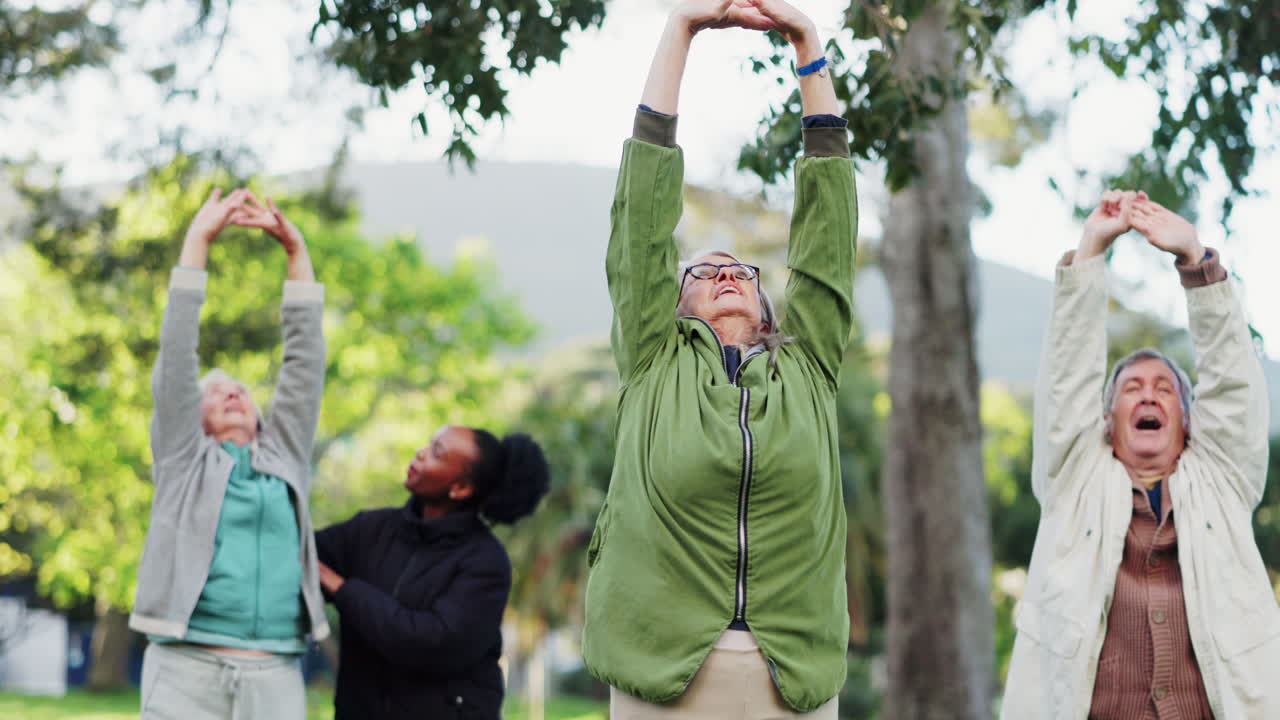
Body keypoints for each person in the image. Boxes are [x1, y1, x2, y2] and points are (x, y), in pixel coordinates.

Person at [581, 0, 858, 717]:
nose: (727, 276)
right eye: (702, 273)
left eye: (740, 271)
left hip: (791, 674)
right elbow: (640, 217)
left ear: (768, 310)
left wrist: (808, 45)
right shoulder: (653, 360)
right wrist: (681, 29)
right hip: (661, 671)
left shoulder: (809, 368)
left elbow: (828, 228)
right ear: (673, 306)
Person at [1001, 190, 1279, 719]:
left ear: (1189, 421)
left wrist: (1195, 260)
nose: (1148, 395)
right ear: (1106, 422)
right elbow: (1067, 379)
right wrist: (1090, 251)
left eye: (1164, 388)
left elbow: (1234, 386)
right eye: (1131, 388)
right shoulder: (1073, 478)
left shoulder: (1224, 479)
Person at [132, 189, 329, 720]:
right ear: (191, 419)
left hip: (274, 674)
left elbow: (305, 361)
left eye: (240, 389)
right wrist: (199, 240)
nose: (233, 393)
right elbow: (176, 352)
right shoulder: (182, 460)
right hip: (184, 671)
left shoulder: (283, 456)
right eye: (215, 393)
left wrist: (296, 253)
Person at [314, 426, 550, 720]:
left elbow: (428, 642)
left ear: (460, 488)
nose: (420, 453)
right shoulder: (370, 529)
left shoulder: (486, 562)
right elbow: (301, 557)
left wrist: (342, 588)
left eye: (436, 452)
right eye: (429, 443)